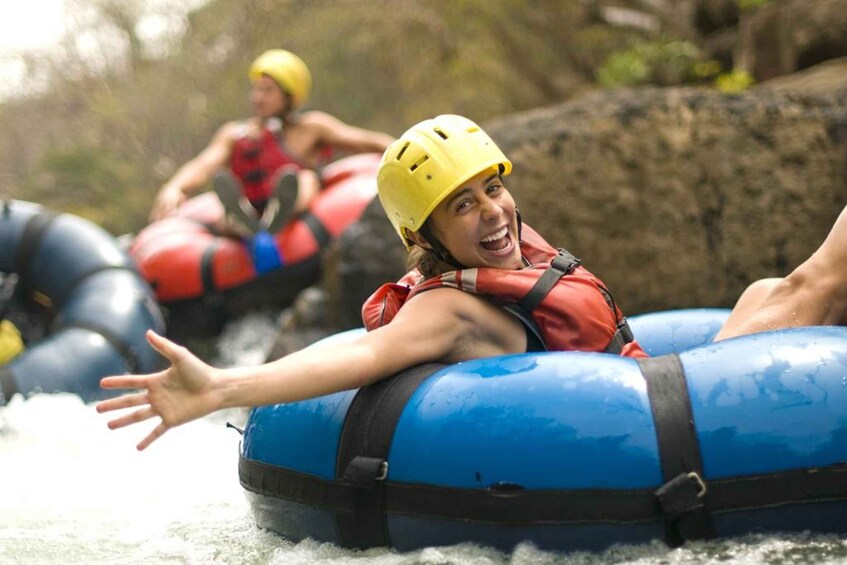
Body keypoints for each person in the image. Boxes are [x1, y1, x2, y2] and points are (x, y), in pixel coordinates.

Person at [97, 114, 847, 451]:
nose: (492, 213)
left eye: (492, 188)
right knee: (816, 283)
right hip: (635, 437)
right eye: (463, 204)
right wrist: (221, 388)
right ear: (423, 235)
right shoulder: (450, 306)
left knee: (760, 291)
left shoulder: (508, 253)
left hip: (651, 391)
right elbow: (357, 357)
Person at [149, 48, 394, 237]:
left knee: (305, 179)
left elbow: (367, 141)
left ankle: (280, 209)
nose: (257, 98)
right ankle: (240, 220)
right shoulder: (235, 134)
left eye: (267, 91)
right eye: (256, 90)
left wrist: (408, 149)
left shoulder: (311, 127)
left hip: (297, 210)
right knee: (222, 207)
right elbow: (204, 163)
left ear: (289, 96)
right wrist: (175, 187)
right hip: (250, 206)